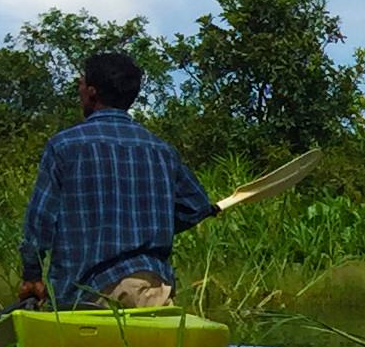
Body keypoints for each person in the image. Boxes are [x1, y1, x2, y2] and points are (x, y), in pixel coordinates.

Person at [16, 50, 218, 311]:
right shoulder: (162, 150)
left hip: (87, 291)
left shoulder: (64, 146)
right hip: (154, 289)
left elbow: (39, 222)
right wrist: (150, 226)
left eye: (80, 84)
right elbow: (196, 207)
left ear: (92, 92)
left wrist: (32, 276)